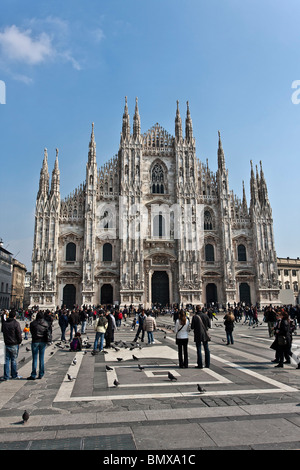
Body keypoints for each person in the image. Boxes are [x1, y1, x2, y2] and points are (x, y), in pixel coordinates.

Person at [27, 311, 52, 380]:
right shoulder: (46, 323)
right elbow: (48, 332)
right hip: (43, 342)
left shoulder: (32, 323)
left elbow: (31, 332)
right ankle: (41, 374)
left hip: (35, 341)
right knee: (41, 358)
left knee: (34, 358)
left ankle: (33, 374)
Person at [1, 309, 22, 380]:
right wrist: (19, 341)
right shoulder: (16, 323)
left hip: (6, 343)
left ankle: (6, 376)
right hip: (14, 344)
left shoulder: (4, 323)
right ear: (15, 316)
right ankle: (14, 375)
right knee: (13, 360)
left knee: (6, 360)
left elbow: (3, 331)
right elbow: (19, 334)